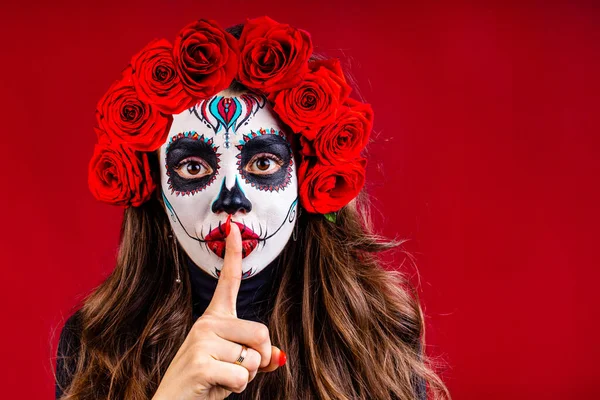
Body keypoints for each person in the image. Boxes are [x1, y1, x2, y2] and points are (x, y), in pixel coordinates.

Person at [55, 16, 450, 400]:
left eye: (263, 163)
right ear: (157, 190)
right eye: (193, 166)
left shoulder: (376, 330)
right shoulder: (98, 342)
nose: (231, 199)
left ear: (308, 177)